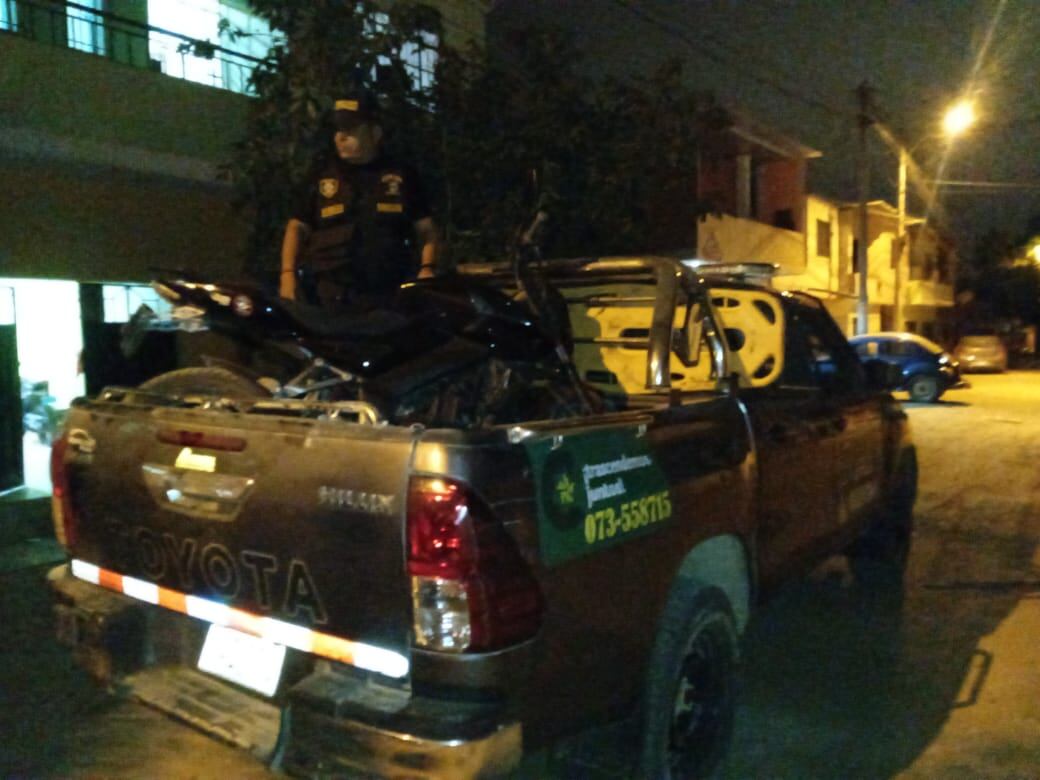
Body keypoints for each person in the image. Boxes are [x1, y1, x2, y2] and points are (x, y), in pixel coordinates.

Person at [279, 91, 440, 307]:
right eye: (338, 130)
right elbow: (296, 227)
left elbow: (427, 231)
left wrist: (427, 268)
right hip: (330, 296)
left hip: (390, 296)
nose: (340, 137)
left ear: (375, 133)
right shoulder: (321, 173)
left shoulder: (401, 174)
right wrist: (287, 275)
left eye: (350, 130)